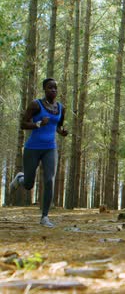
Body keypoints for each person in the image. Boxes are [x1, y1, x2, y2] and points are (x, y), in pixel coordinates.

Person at [9, 78, 68, 228]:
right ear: (44, 89)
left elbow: (58, 127)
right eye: (50, 88)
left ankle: (44, 217)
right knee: (29, 184)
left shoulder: (61, 108)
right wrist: (38, 124)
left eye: (55, 88)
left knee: (50, 180)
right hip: (33, 148)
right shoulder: (36, 105)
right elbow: (23, 123)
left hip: (50, 148)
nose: (53, 90)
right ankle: (20, 178)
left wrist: (62, 132)